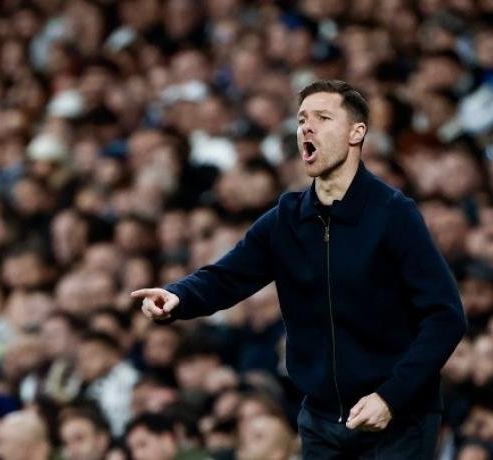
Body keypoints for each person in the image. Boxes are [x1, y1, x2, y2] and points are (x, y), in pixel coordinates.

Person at [132, 79, 467, 459]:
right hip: (321, 420)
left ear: (357, 133)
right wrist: (178, 295)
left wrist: (391, 396)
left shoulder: (393, 214)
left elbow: (446, 317)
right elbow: (227, 276)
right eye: (302, 119)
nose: (307, 127)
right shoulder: (286, 219)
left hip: (396, 419)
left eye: (323, 118)